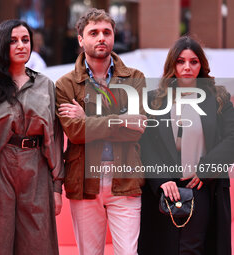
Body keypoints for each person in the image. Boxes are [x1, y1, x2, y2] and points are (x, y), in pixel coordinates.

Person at [56, 8, 146, 255]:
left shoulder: (134, 79)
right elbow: (75, 133)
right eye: (93, 33)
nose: (101, 38)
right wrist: (121, 120)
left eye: (106, 32)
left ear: (114, 36)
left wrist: (89, 120)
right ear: (81, 39)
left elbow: (136, 130)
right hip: (84, 181)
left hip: (125, 178)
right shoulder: (65, 84)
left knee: (128, 253)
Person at [0, 20, 63, 255]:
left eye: (25, 40)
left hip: (37, 166)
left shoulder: (45, 85)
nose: (21, 45)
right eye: (13, 41)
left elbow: (54, 135)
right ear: (1, 45)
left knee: (37, 240)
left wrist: (57, 186)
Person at [138, 36, 234, 255]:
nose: (187, 67)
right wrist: (161, 180)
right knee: (164, 249)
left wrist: (206, 169)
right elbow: (145, 144)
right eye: (181, 61)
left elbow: (233, 137)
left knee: (194, 248)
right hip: (164, 189)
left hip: (201, 186)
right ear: (172, 65)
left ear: (201, 65)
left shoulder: (218, 97)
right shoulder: (154, 100)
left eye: (193, 62)